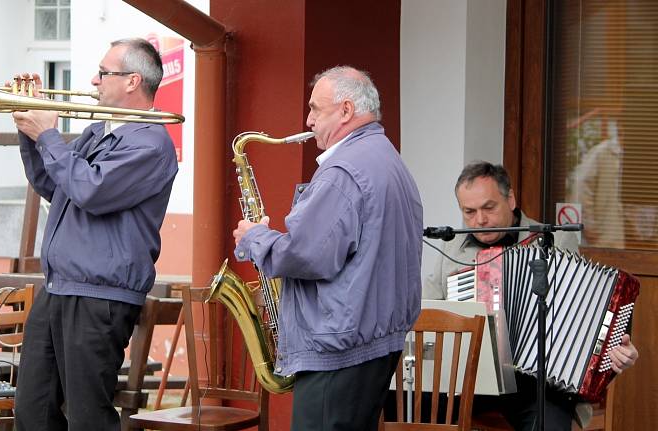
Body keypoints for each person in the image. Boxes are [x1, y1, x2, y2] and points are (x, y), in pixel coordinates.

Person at [233, 66, 423, 430]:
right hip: (372, 342)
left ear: (346, 110)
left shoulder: (345, 170)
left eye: (315, 109)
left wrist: (255, 238)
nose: (308, 119)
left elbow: (307, 254)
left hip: (339, 348)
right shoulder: (386, 158)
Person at [11, 38, 179, 431]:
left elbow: (92, 190)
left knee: (88, 418)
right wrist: (28, 129)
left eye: (103, 73)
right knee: (32, 412)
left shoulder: (151, 143)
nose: (93, 81)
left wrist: (49, 136)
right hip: (59, 287)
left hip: (99, 295)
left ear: (132, 81)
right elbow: (53, 183)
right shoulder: (97, 132)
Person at [423, 161, 639, 431]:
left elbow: (584, 316)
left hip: (535, 383)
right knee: (399, 403)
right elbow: (426, 316)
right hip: (469, 379)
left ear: (511, 199)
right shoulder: (451, 249)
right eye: (469, 212)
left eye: (489, 208)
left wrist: (614, 350)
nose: (479, 220)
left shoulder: (553, 241)